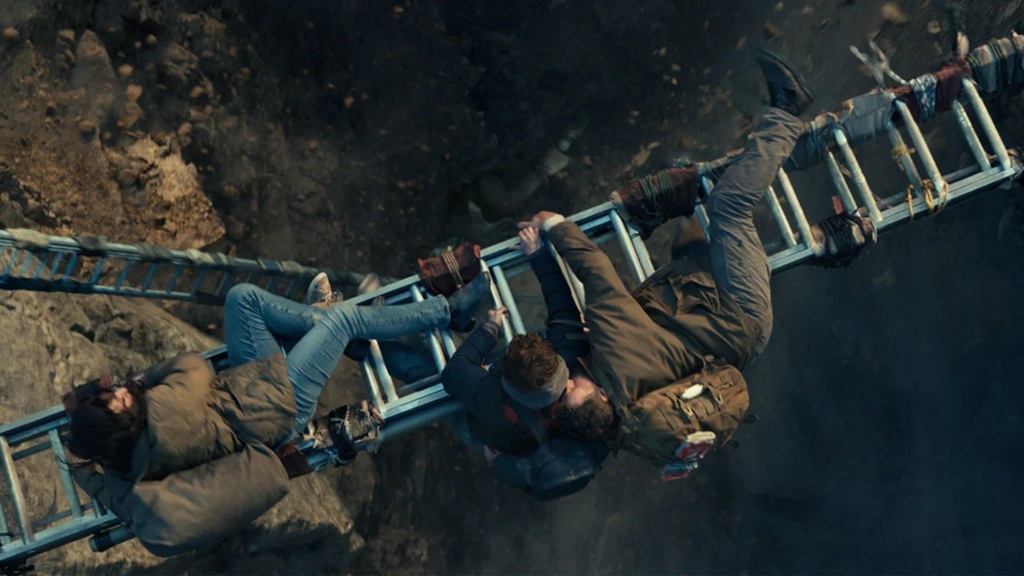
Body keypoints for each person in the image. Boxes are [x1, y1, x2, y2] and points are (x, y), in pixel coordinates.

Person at [524, 50, 876, 470]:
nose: (565, 389)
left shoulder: (626, 426)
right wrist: (556, 227)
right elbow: (597, 276)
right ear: (601, 395)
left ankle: (692, 191)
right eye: (573, 394)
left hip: (706, 314)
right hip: (739, 310)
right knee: (729, 208)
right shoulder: (616, 359)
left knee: (688, 252)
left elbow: (574, 347)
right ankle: (787, 111)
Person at [63, 273, 490, 556]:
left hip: (247, 390)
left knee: (243, 299)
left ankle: (325, 323)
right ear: (124, 420)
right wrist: (142, 380)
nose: (118, 392)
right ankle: (447, 312)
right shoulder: (163, 407)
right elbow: (195, 366)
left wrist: (81, 467)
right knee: (344, 319)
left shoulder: (125, 466)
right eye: (116, 401)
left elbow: (107, 489)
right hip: (277, 407)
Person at [440, 226, 589, 458]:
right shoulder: (570, 361)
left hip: (485, 429)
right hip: (512, 441)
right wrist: (538, 255)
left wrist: (490, 329)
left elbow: (452, 372)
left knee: (427, 366)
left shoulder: (491, 397)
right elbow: (561, 303)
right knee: (420, 368)